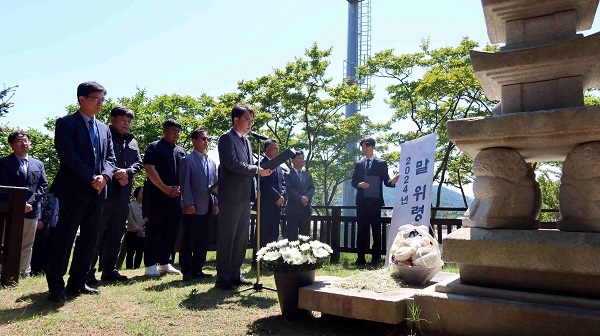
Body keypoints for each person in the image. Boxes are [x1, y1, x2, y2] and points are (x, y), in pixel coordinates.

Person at [46, 81, 116, 303]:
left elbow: (110, 158)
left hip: (98, 191)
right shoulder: (66, 123)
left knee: (90, 237)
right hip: (73, 190)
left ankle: (78, 282)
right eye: (95, 99)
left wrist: (104, 177)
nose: (100, 104)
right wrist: (90, 177)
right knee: (65, 237)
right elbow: (68, 155)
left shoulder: (104, 128)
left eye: (102, 100)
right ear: (81, 99)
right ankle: (56, 285)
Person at [216, 103, 272, 290]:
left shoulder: (247, 141)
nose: (250, 124)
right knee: (228, 236)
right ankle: (223, 277)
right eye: (247, 120)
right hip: (230, 195)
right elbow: (231, 163)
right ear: (236, 120)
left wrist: (262, 169)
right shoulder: (226, 138)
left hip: (245, 196)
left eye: (252, 120)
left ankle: (235, 274)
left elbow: (248, 165)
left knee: (241, 237)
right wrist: (257, 169)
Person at [88, 105, 143, 283]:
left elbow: (139, 163)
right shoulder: (103, 135)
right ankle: (87, 271)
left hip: (124, 196)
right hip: (104, 193)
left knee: (116, 234)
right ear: (113, 119)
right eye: (123, 120)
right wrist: (113, 173)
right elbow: (98, 160)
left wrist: (128, 171)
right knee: (96, 233)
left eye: (129, 121)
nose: (126, 124)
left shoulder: (132, 141)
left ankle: (109, 270)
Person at [0, 131, 48, 277]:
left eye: (26, 140)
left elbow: (43, 186)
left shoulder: (38, 164)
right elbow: (3, 186)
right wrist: (18, 204)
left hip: (31, 210)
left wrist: (30, 203)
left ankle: (23, 272)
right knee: (5, 241)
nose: (24, 143)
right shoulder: (4, 163)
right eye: (20, 141)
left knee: (27, 244)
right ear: (11, 145)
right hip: (8, 210)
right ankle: (3, 271)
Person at [143, 119, 186, 277]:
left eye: (178, 131)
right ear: (164, 130)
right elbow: (149, 168)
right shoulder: (154, 147)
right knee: (155, 230)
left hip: (176, 196)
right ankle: (150, 264)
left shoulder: (181, 151)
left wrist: (179, 189)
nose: (176, 134)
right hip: (157, 195)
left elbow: (184, 172)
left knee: (172, 230)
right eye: (173, 130)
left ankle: (165, 262)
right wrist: (165, 188)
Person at [351, 137, 399, 266]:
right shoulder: (359, 164)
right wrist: (359, 184)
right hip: (361, 202)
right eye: (362, 147)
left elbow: (387, 181)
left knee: (376, 230)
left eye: (366, 147)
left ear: (373, 147)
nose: (364, 149)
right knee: (361, 230)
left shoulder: (381, 163)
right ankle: (360, 258)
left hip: (375, 202)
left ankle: (375, 258)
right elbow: (353, 181)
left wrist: (393, 182)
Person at [179, 127, 219, 281]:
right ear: (194, 141)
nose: (206, 141)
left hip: (208, 205)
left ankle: (198, 269)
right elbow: (185, 184)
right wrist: (188, 202)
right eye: (203, 138)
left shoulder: (212, 162)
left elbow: (215, 184)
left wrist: (216, 202)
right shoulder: (187, 160)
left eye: (207, 139)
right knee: (189, 239)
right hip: (193, 206)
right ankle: (187, 271)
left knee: (203, 239)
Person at [252, 139, 285, 264]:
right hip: (265, 204)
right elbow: (263, 184)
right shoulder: (260, 164)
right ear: (267, 149)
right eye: (275, 148)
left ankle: (271, 260)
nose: (277, 151)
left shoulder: (279, 166)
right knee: (262, 232)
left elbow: (283, 183)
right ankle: (258, 261)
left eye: (278, 148)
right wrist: (276, 196)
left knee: (273, 233)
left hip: (277, 206)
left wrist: (282, 195)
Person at [283, 151, 314, 241]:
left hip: (306, 209)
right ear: (293, 160)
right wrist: (300, 198)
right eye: (299, 158)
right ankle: (291, 254)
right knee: (292, 235)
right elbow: (288, 188)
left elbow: (312, 188)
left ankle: (304, 254)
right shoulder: (287, 174)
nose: (301, 160)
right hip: (293, 209)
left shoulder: (307, 175)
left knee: (305, 236)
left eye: (302, 158)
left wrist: (307, 198)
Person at [30, 192, 59, 276]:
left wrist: (43, 222)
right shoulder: (47, 196)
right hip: (38, 225)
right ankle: (34, 270)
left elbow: (49, 211)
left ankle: (44, 269)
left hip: (48, 226)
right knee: (37, 248)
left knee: (47, 250)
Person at [124, 186, 145, 269]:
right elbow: (129, 218)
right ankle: (129, 268)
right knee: (130, 252)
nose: (143, 194)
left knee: (140, 252)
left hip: (143, 233)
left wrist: (143, 229)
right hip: (132, 232)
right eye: (141, 192)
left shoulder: (147, 206)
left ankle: (137, 268)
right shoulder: (131, 205)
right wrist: (137, 228)